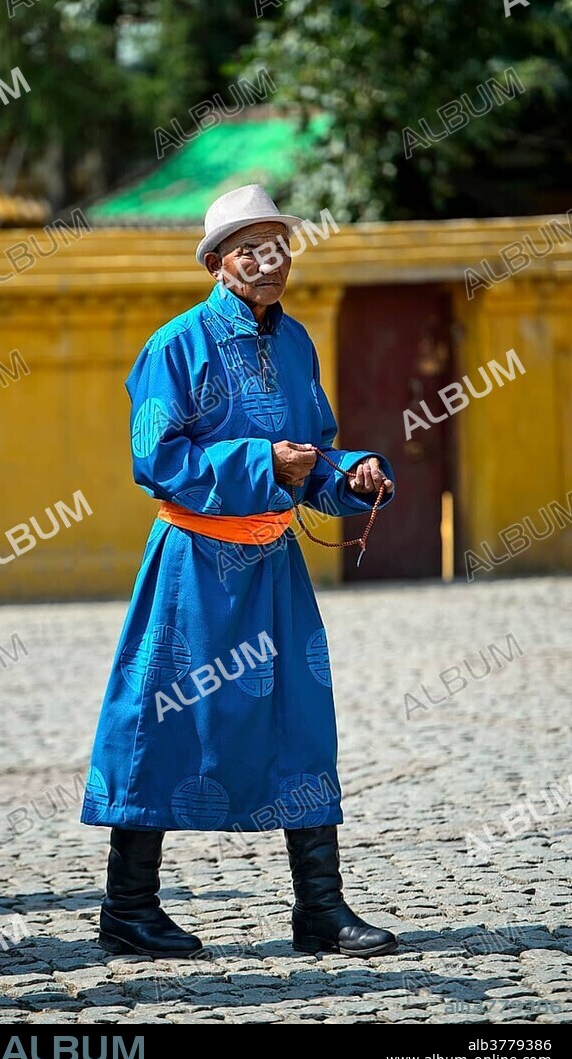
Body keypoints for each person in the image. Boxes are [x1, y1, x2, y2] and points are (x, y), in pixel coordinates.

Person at [81, 183, 396, 960]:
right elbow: (156, 460)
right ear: (218, 262)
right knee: (161, 722)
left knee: (300, 719)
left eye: (278, 243)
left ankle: (319, 909)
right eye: (251, 247)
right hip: (193, 566)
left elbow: (315, 451)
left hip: (274, 566)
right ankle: (128, 909)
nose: (269, 259)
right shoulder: (174, 346)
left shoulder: (295, 345)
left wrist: (348, 474)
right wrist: (262, 460)